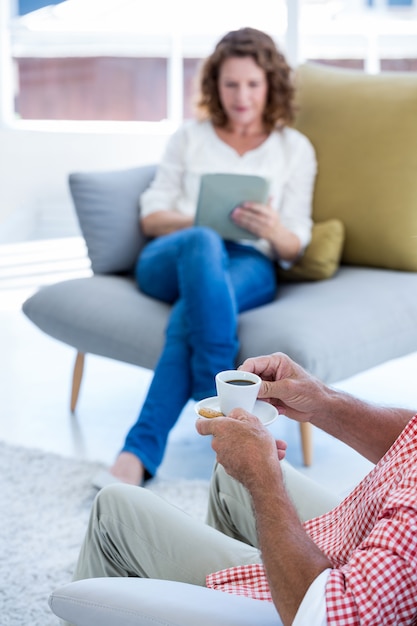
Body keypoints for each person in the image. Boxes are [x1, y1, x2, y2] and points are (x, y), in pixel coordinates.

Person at [105, 27, 317, 486]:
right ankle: (216, 403)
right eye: (231, 84)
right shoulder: (190, 137)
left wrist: (271, 229)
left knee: (193, 311)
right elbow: (151, 215)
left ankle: (136, 454)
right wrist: (198, 220)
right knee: (203, 243)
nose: (242, 96)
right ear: (215, 88)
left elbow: (295, 243)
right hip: (177, 254)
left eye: (253, 84)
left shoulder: (293, 149)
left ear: (270, 85)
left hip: (249, 262)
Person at [72, 352, 417, 626]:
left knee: (114, 510)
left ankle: (228, 598)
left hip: (320, 596)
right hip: (360, 538)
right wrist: (323, 400)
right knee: (230, 476)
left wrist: (263, 477)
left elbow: (326, 616)